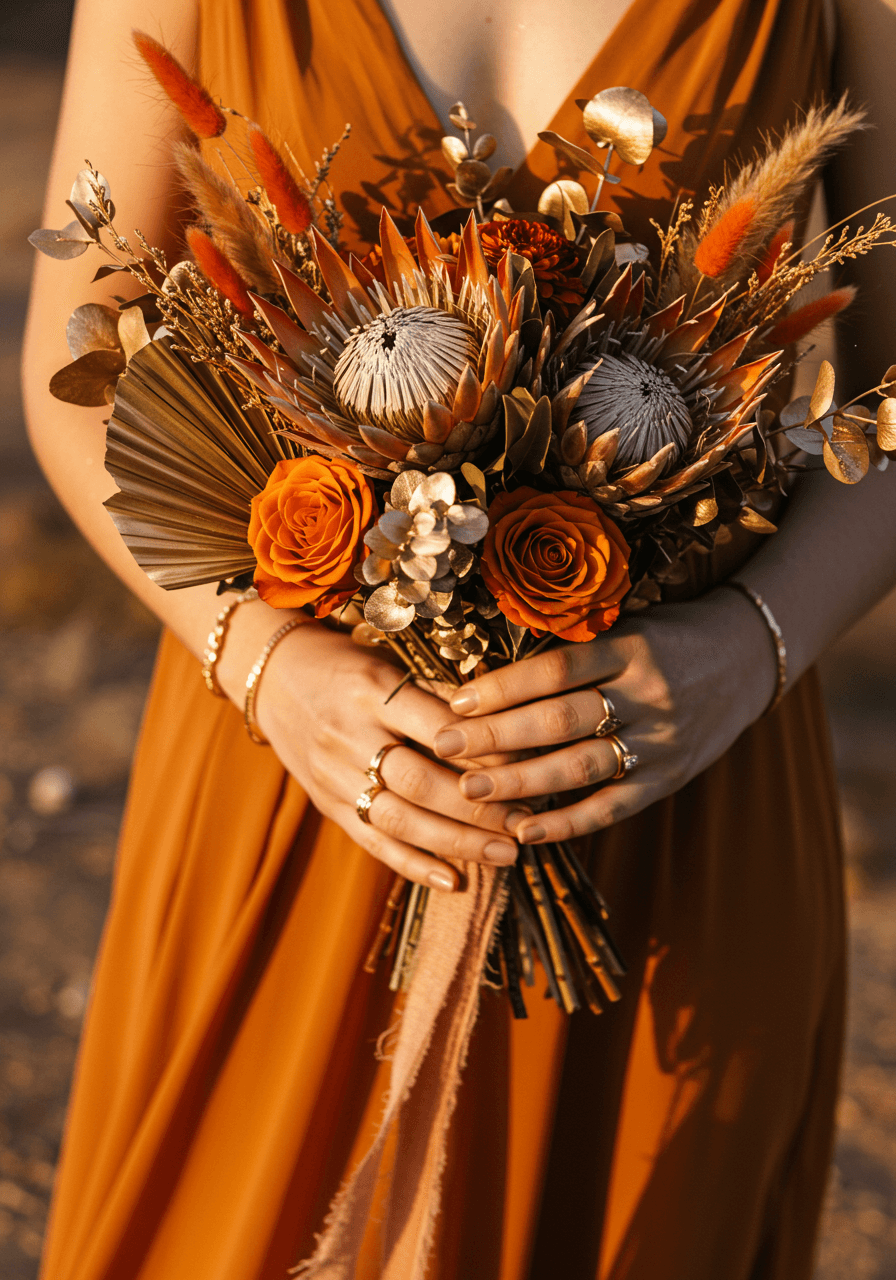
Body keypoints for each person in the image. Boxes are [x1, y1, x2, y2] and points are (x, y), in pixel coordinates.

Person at [21, 0, 896, 1276]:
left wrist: (748, 648)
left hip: (679, 779)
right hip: (295, 775)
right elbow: (80, 369)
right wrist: (266, 664)